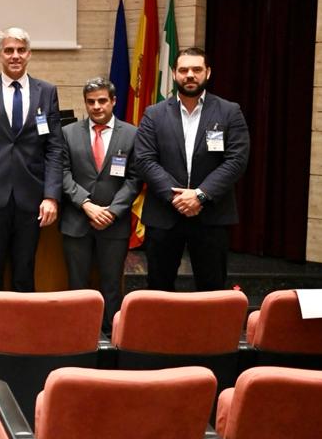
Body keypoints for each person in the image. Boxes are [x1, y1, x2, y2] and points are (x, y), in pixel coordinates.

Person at [134, 47, 250, 291]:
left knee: (212, 289)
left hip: (211, 215)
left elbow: (236, 160)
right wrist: (177, 197)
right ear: (174, 73)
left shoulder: (230, 111)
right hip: (164, 214)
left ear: (208, 72)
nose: (190, 75)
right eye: (184, 70)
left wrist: (200, 195)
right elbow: (144, 160)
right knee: (158, 289)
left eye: (196, 69)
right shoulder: (154, 114)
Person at [0, 26, 63, 294]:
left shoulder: (46, 92)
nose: (15, 55)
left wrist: (51, 196)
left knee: (24, 271)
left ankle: (25, 323)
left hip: (32, 198)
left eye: (20, 50)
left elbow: (55, 149)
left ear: (29, 54)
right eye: (8, 50)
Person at [60, 77, 141, 334]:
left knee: (111, 285)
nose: (96, 106)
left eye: (102, 101)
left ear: (113, 101)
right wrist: (86, 204)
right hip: (77, 221)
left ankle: (110, 335)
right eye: (91, 102)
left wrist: (113, 211)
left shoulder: (132, 134)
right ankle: (78, 334)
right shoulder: (68, 133)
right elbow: (62, 173)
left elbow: (135, 179)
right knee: (77, 285)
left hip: (114, 223)